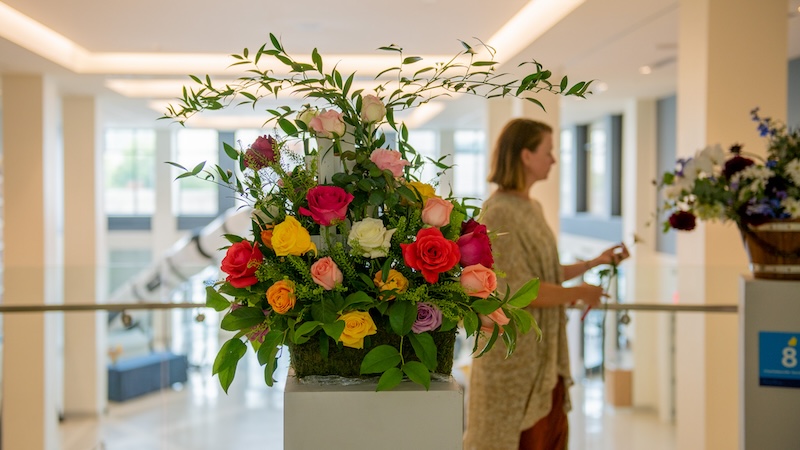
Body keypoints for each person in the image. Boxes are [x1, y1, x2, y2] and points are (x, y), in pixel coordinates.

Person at [462, 118, 630, 450]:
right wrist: (580, 293)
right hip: (515, 360)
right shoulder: (499, 212)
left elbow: (543, 273)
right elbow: (519, 290)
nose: (554, 159)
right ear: (526, 156)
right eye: (548, 151)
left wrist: (593, 262)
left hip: (542, 353)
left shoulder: (531, 206)